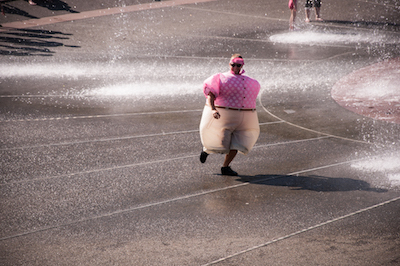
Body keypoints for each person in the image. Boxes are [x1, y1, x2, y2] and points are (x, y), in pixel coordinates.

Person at [199, 54, 261, 176]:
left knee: (236, 144)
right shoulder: (220, 78)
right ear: (229, 64)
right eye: (233, 65)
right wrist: (213, 109)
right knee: (222, 142)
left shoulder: (250, 81)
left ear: (242, 65)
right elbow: (211, 95)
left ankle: (225, 167)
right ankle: (207, 150)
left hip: (243, 116)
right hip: (224, 114)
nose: (235, 67)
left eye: (238, 65)